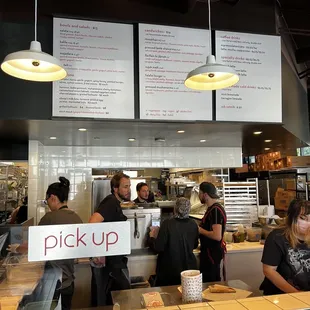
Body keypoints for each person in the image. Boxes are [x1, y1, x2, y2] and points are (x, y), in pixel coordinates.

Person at [9, 177, 83, 310]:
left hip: (53, 282)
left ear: (53, 197)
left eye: (47, 200)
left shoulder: (49, 218)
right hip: (69, 282)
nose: (47, 204)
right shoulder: (76, 218)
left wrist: (16, 249)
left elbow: (31, 245)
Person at [89, 172, 131, 306]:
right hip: (110, 265)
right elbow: (92, 223)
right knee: (113, 300)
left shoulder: (116, 203)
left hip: (114, 261)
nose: (128, 190)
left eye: (129, 186)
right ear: (115, 188)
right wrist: (99, 251)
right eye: (125, 186)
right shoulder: (111, 202)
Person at [260, 199, 310, 295]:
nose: (308, 224)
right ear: (291, 218)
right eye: (303, 219)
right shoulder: (277, 238)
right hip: (281, 295)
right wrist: (296, 294)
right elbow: (269, 270)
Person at [149, 197, 199, 286]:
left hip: (170, 272)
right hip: (188, 271)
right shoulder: (193, 224)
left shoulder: (167, 224)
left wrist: (152, 236)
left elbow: (158, 247)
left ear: (175, 209)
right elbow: (195, 245)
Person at [198, 182, 227, 283]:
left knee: (211, 284)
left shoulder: (215, 210)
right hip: (209, 253)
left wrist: (200, 230)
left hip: (211, 255)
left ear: (205, 195)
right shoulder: (211, 209)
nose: (199, 195)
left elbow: (217, 236)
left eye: (200, 193)